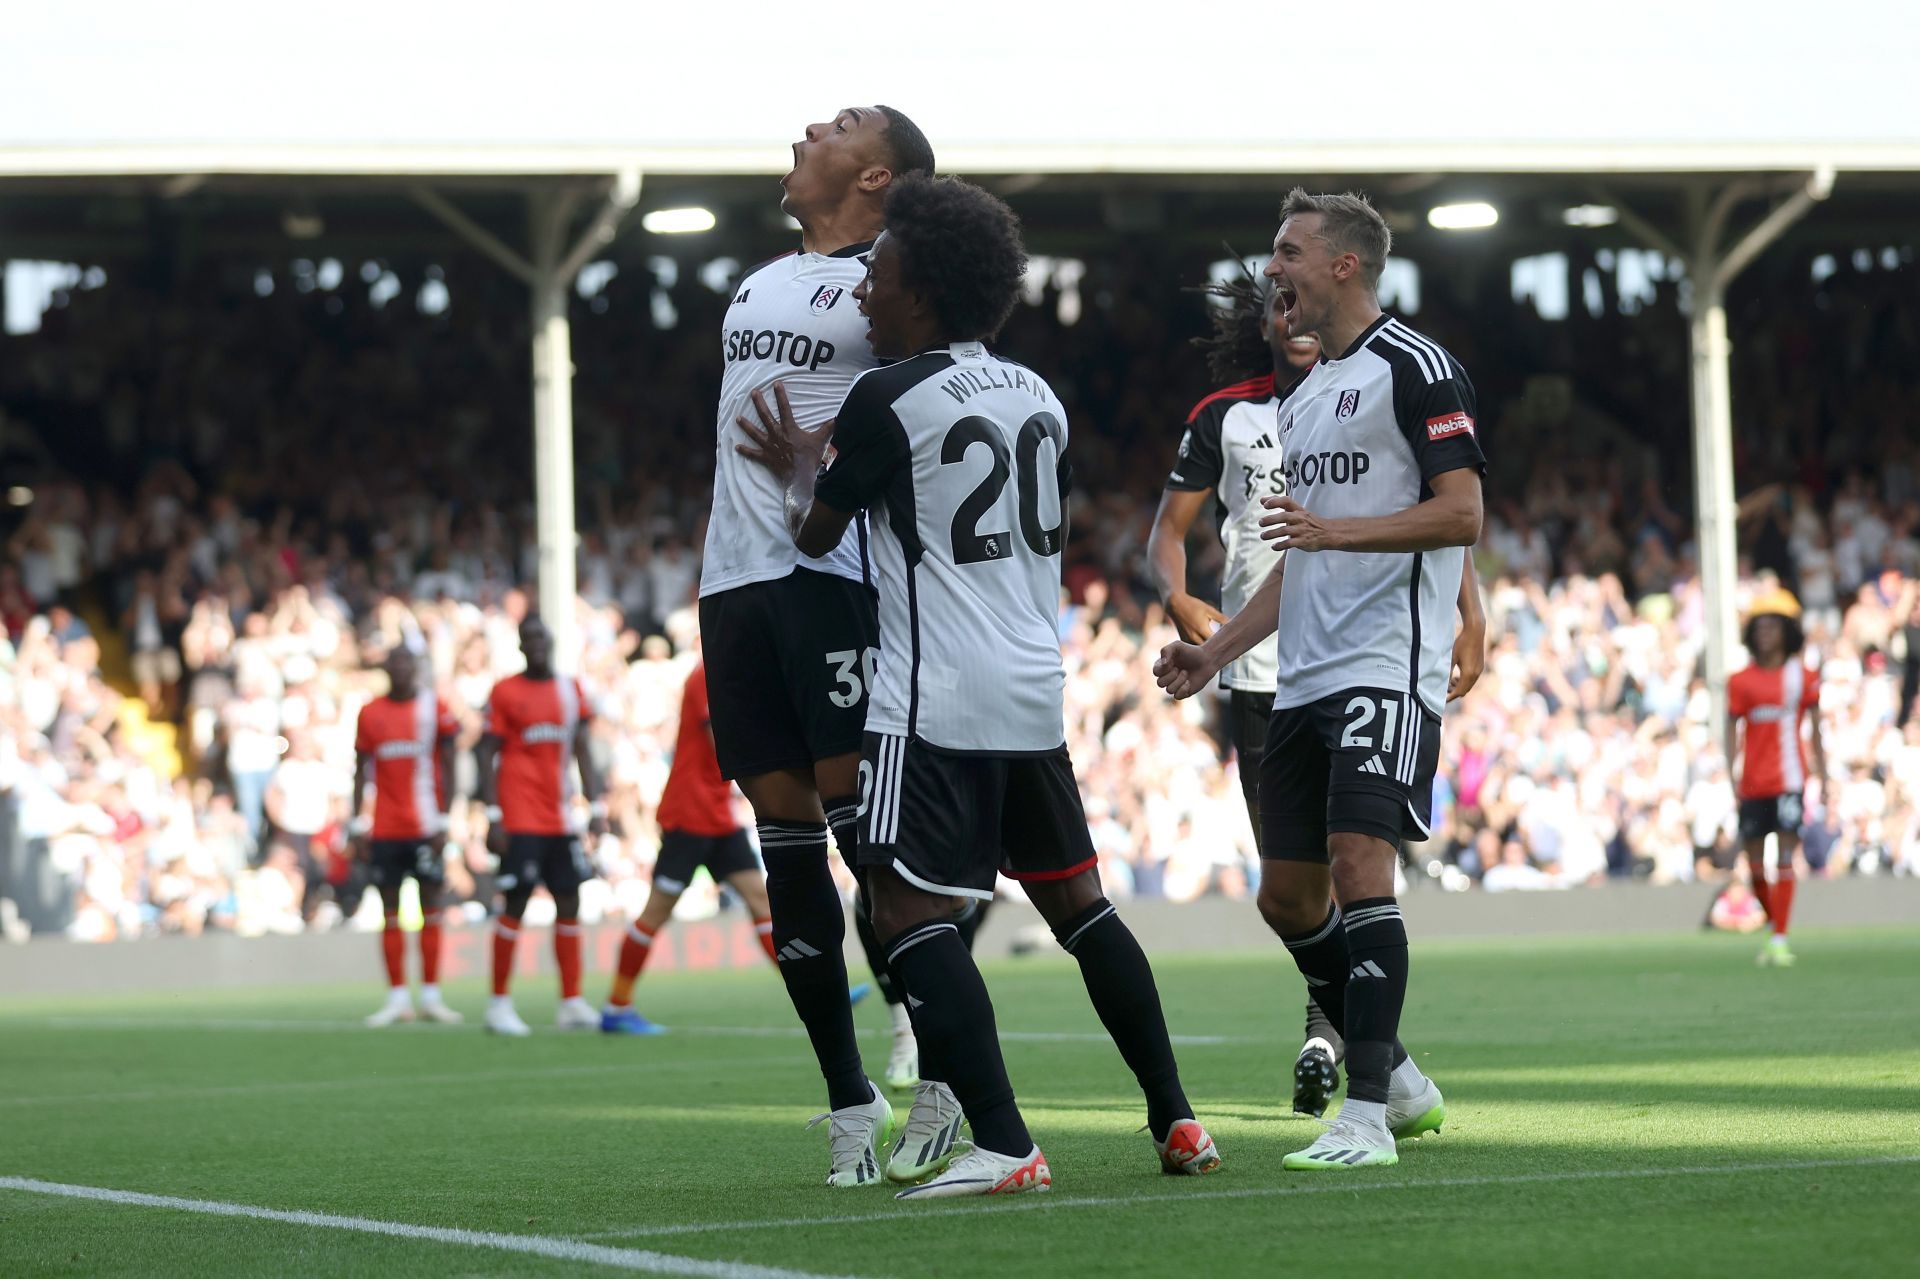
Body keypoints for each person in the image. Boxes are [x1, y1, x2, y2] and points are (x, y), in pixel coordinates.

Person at [738, 174, 1220, 1200]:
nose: (866, 283)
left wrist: (795, 469)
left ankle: (1004, 1140)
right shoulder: (1035, 390)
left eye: (883, 267)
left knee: (902, 909)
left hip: (932, 696)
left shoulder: (885, 395)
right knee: (1083, 910)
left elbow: (817, 533)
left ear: (920, 285)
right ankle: (1177, 1117)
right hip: (1032, 690)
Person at [1154, 187, 1485, 1170]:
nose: (1271, 270)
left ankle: (1368, 1111)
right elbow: (1302, 559)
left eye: (1287, 251)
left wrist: (1341, 530)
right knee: (1289, 900)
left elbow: (1462, 513)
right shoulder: (1303, 396)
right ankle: (1409, 1074)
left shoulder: (1417, 368)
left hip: (1388, 663)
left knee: (1357, 865)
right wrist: (1216, 651)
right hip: (1299, 670)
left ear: (1343, 265)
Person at [696, 104, 935, 1184]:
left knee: (864, 837)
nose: (805, 128)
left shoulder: (898, 277)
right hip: (733, 585)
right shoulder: (759, 281)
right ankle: (849, 1098)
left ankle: (938, 1058)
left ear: (877, 174)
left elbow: (926, 429)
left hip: (830, 577)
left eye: (835, 125)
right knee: (781, 840)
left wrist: (817, 476)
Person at [600, 654, 778, 1034]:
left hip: (718, 816)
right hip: (689, 814)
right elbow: (723, 742)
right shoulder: (708, 675)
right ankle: (616, 1006)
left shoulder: (734, 671)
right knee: (657, 911)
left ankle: (816, 992)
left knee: (760, 899)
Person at [476, 616, 607, 1036]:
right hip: (519, 817)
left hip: (561, 817)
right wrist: (493, 815)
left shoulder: (571, 690)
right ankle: (498, 1004)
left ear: (550, 643)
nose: (535, 644)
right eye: (527, 638)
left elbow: (584, 749)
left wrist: (597, 804)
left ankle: (570, 1001)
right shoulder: (505, 691)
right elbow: (485, 753)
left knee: (569, 902)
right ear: (519, 646)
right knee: (515, 903)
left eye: (540, 637)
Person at [350, 644, 463, 1027]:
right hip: (385, 828)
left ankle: (431, 996)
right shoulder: (370, 713)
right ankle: (398, 998)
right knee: (390, 911)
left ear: (415, 668)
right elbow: (359, 769)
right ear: (386, 668)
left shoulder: (436, 709)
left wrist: (445, 822)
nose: (400, 668)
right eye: (394, 662)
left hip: (426, 828)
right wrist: (356, 825)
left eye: (406, 662)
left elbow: (449, 766)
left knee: (432, 907)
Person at [1726, 588, 1827, 968]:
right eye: (1760, 627)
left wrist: (1825, 776)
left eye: (1772, 626)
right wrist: (1729, 773)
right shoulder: (1740, 681)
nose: (1765, 634)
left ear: (1787, 631)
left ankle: (1780, 937)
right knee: (1754, 864)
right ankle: (1774, 925)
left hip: (1790, 780)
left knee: (1785, 857)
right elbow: (1730, 729)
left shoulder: (1804, 677)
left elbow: (1816, 730)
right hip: (1752, 781)